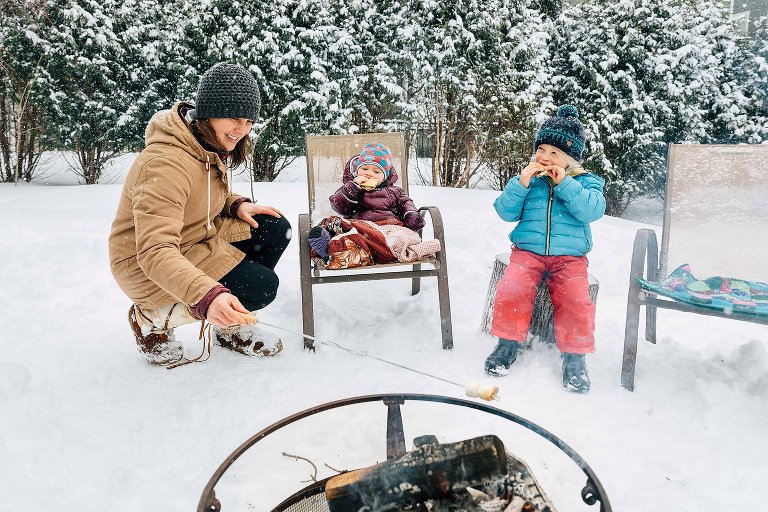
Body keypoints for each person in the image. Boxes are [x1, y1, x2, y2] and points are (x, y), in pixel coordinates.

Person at [108, 62, 292, 365]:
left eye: (248, 121)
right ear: (209, 111)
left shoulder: (203, 146)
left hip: (195, 241)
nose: (242, 130)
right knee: (260, 288)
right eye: (234, 118)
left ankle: (228, 322)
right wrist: (207, 296)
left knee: (272, 226)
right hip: (146, 266)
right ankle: (151, 318)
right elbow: (154, 251)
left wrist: (234, 204)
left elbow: (198, 197)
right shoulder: (165, 163)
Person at [485, 105, 605, 393]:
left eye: (554, 153)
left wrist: (564, 184)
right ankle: (507, 344)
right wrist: (521, 184)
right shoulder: (530, 180)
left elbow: (592, 210)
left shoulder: (586, 181)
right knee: (512, 287)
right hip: (528, 252)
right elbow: (504, 211)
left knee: (576, 299)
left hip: (570, 258)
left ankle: (575, 358)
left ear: (569, 158)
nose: (545, 157)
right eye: (542, 149)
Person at [308, 142, 425, 259]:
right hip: (360, 228)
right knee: (335, 223)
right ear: (357, 170)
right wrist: (354, 187)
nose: (369, 174)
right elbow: (339, 206)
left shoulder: (395, 191)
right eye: (364, 168)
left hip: (387, 229)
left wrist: (412, 216)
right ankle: (330, 246)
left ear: (386, 176)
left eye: (376, 171)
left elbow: (406, 204)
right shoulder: (351, 188)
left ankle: (334, 252)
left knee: (399, 238)